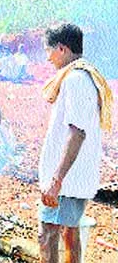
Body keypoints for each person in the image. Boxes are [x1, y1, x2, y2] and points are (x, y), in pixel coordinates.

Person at [38, 23, 113, 263]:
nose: (47, 57)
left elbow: (77, 133)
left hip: (67, 181)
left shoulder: (76, 79)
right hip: (72, 178)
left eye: (48, 50)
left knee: (47, 236)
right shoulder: (81, 76)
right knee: (69, 234)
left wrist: (56, 180)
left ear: (61, 48)